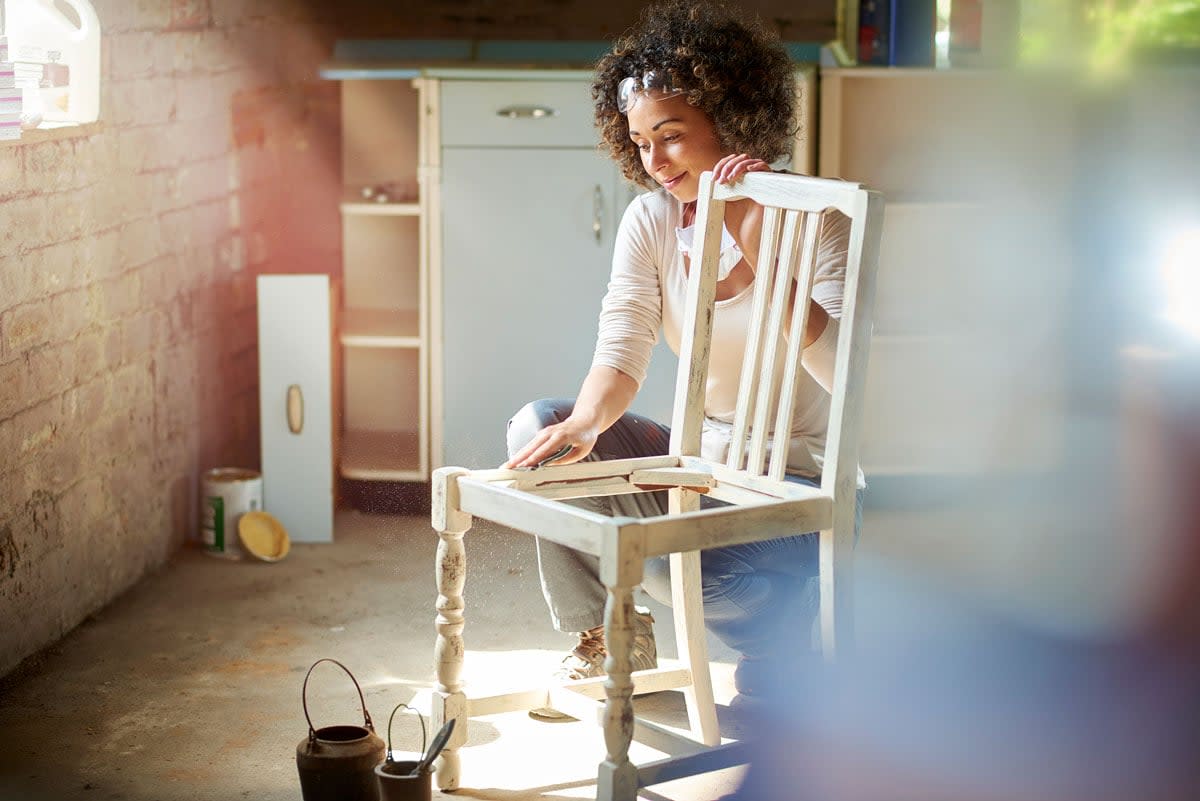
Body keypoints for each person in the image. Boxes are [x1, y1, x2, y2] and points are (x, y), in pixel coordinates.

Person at [502, 0, 859, 710]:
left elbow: (843, 374)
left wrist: (759, 240)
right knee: (538, 428)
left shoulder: (820, 219)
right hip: (704, 468)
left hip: (796, 495)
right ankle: (613, 637)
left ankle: (787, 642)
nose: (654, 162)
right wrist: (587, 424)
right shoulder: (653, 220)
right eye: (639, 142)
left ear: (731, 117)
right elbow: (623, 343)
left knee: (675, 555)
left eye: (670, 136)